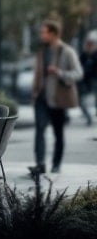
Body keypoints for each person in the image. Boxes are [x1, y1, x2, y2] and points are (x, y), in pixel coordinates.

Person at [29, 20, 84, 175]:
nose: (41, 35)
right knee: (39, 130)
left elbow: (78, 73)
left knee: (58, 133)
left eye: (44, 32)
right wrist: (34, 90)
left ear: (53, 33)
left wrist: (59, 72)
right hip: (41, 98)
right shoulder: (41, 51)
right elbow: (37, 73)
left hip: (57, 99)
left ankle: (56, 164)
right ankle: (40, 164)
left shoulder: (66, 51)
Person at [78, 31, 97, 127]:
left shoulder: (95, 55)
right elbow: (78, 68)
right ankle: (88, 117)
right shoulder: (83, 56)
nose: (89, 46)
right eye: (87, 44)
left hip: (94, 80)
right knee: (80, 101)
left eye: (91, 44)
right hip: (84, 81)